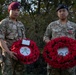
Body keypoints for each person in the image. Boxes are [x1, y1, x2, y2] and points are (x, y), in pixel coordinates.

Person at [43, 4, 76, 75]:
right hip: (54, 56)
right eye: (60, 11)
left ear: (67, 12)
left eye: (64, 11)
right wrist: (51, 44)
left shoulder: (73, 26)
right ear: (57, 13)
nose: (62, 13)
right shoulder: (52, 25)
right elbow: (45, 37)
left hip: (69, 58)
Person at [0, 2, 26, 75]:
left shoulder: (20, 24)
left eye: (18, 10)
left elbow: (24, 40)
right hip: (8, 55)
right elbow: (0, 39)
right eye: (14, 10)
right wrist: (8, 52)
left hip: (20, 54)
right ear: (9, 11)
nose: (16, 12)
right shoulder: (4, 23)